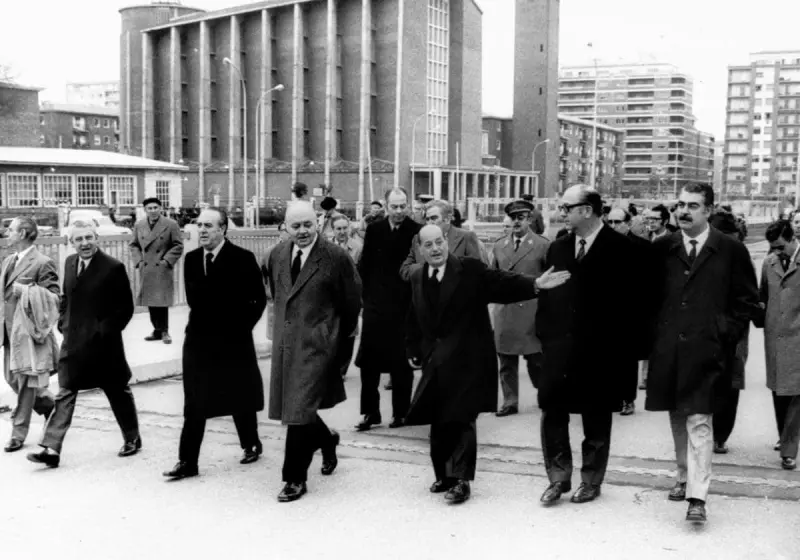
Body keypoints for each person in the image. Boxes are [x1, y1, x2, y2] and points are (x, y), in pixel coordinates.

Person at [405, 224, 570, 504]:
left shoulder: (469, 269)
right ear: (421, 250)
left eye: (439, 242)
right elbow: (414, 314)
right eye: (428, 245)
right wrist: (413, 349)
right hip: (436, 359)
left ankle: (461, 481)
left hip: (468, 357)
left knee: (462, 417)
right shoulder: (419, 276)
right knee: (439, 416)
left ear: (447, 242)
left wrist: (534, 285)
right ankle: (443, 475)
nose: (435, 249)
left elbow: (501, 282)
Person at [645, 183, 759, 524]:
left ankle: (698, 496)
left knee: (699, 420)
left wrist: (723, 332)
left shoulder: (730, 249)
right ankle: (683, 475)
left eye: (692, 205)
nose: (683, 211)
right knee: (678, 415)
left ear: (708, 210)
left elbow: (747, 300)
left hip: (708, 350)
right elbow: (649, 298)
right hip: (669, 349)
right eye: (680, 204)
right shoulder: (663, 247)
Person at [535, 185, 638, 507]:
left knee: (596, 417)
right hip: (558, 351)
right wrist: (546, 339)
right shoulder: (559, 248)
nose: (560, 213)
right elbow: (548, 299)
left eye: (566, 207)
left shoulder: (621, 249)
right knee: (552, 413)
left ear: (588, 210)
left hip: (600, 354)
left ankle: (591, 480)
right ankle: (558, 478)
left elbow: (631, 309)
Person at [264, 202, 361, 502]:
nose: (302, 231)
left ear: (318, 223)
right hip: (286, 343)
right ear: (286, 227)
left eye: (308, 224)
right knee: (297, 407)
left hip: (319, 345)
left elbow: (352, 301)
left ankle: (294, 477)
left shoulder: (335, 257)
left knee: (298, 408)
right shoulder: (277, 254)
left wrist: (336, 339)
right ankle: (326, 439)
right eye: (295, 226)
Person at [163, 207, 267, 480]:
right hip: (198, 340)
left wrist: (240, 329)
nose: (203, 230)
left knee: (239, 394)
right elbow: (195, 300)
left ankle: (251, 443)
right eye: (200, 225)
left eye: (209, 225)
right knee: (194, 401)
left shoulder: (242, 259)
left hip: (233, 339)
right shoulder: (193, 259)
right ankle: (187, 461)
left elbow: (257, 300)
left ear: (223, 229)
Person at [28, 221, 141, 468]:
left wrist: (103, 332)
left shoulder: (113, 267)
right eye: (78, 239)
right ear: (72, 243)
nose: (84, 243)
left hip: (104, 347)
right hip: (74, 343)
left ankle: (132, 438)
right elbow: (66, 296)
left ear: (96, 238)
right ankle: (51, 448)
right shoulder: (69, 263)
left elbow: (124, 308)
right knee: (66, 392)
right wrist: (63, 324)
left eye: (88, 237)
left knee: (116, 390)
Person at [355, 187, 421, 431]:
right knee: (368, 364)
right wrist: (366, 299)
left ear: (408, 205)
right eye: (394, 206)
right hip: (376, 306)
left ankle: (401, 413)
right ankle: (370, 413)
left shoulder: (417, 231)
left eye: (403, 205)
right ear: (385, 206)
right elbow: (366, 265)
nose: (399, 211)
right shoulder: (375, 229)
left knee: (401, 364)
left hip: (405, 307)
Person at [1, 217, 58, 453]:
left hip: (27, 333)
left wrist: (26, 290)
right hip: (7, 331)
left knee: (24, 383)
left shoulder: (43, 262)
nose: (6, 232)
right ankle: (51, 408)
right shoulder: (8, 260)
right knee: (11, 379)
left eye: (11, 229)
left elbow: (54, 297)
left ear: (23, 233)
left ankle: (18, 432)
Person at [491, 200, 550, 417]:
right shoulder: (499, 245)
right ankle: (510, 401)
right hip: (505, 311)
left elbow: (549, 277)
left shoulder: (542, 244)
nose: (516, 222)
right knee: (506, 361)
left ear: (530, 220)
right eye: (513, 218)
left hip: (531, 311)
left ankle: (544, 392)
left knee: (536, 359)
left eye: (521, 217)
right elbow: (492, 276)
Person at [708, 210, 751, 454]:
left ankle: (720, 435)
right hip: (707, 331)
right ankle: (714, 434)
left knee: (729, 383)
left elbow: (748, 298)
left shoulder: (737, 251)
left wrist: (733, 328)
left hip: (732, 333)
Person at [759, 220, 800, 470]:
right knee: (778, 393)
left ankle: (789, 449)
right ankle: (783, 437)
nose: (775, 251)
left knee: (795, 395)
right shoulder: (768, 263)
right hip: (775, 338)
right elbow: (762, 296)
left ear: (792, 237)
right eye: (772, 247)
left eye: (779, 246)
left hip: (798, 339)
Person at [607, 207, 654, 416]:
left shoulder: (642, 247)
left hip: (631, 313)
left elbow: (650, 283)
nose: (614, 226)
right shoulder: (601, 245)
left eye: (618, 222)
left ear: (628, 223)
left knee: (627, 359)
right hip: (604, 312)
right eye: (610, 222)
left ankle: (628, 399)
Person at [129, 197, 184, 345]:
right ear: (145, 210)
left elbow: (178, 245)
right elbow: (133, 244)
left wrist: (166, 261)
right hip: (147, 267)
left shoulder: (171, 224)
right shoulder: (139, 225)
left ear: (161, 208)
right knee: (150, 300)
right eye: (149, 208)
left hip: (161, 267)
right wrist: (139, 261)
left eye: (155, 207)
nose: (153, 211)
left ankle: (165, 330)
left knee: (162, 300)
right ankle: (157, 330)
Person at [399, 199, 482, 281]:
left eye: (434, 218)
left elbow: (477, 270)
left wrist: (443, 268)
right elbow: (405, 271)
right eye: (427, 219)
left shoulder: (466, 237)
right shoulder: (418, 239)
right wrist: (428, 268)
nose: (429, 223)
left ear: (448, 219)